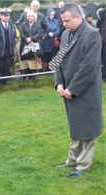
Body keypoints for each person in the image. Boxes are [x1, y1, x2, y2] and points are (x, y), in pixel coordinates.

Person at [53, 3, 103, 178]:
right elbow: (58, 60)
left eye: (67, 21)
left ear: (77, 17)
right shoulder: (66, 34)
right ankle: (72, 160)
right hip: (67, 89)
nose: (64, 24)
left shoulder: (92, 35)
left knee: (88, 128)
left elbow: (88, 67)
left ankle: (83, 165)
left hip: (85, 90)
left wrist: (72, 88)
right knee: (75, 126)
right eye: (62, 21)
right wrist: (58, 83)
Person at [0, 8, 16, 85]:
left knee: (7, 67)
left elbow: (14, 37)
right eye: (4, 16)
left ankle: (5, 81)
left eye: (7, 16)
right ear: (1, 16)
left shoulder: (12, 25)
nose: (6, 17)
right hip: (0, 50)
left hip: (9, 50)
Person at [19, 9, 42, 80]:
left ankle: (33, 76)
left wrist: (31, 39)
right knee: (26, 60)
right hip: (25, 44)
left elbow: (39, 34)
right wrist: (26, 39)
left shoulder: (37, 24)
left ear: (34, 17)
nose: (30, 17)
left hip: (34, 44)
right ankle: (23, 76)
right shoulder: (23, 24)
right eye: (28, 16)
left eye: (31, 16)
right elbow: (21, 33)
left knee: (34, 59)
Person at [96, 8, 106, 80]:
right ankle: (102, 74)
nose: (99, 16)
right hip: (101, 42)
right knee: (101, 59)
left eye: (99, 15)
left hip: (105, 42)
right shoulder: (99, 22)